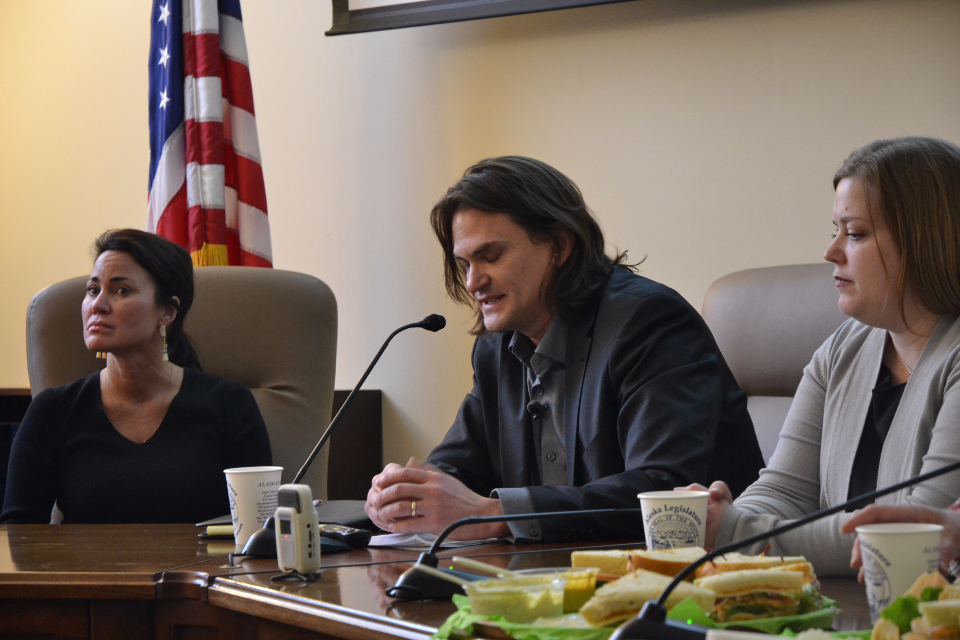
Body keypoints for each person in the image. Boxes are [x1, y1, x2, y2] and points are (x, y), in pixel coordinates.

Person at [364, 156, 765, 541]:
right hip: (554, 574)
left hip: (700, 573)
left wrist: (495, 515)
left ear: (558, 245)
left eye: (490, 256)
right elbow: (461, 466)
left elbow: (662, 491)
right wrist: (409, 494)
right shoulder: (496, 347)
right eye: (465, 263)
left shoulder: (650, 323)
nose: (472, 282)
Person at [687, 137, 960, 576]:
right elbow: (785, 491)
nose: (830, 252)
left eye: (855, 234)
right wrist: (720, 517)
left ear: (926, 242)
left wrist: (735, 532)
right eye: (834, 231)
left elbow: (915, 535)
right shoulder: (841, 350)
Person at [1, 229, 272, 524]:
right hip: (86, 558)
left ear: (167, 312)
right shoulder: (53, 410)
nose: (97, 305)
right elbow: (18, 535)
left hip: (202, 558)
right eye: (92, 290)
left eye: (122, 291)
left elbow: (258, 529)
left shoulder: (229, 404)